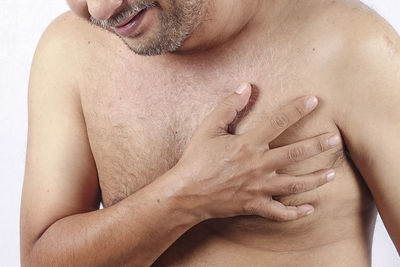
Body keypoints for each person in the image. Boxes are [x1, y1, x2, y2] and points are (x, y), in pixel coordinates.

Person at [20, 0, 400, 266]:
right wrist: (187, 196)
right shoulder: (71, 50)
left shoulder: (353, 47)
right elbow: (40, 259)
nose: (100, 9)